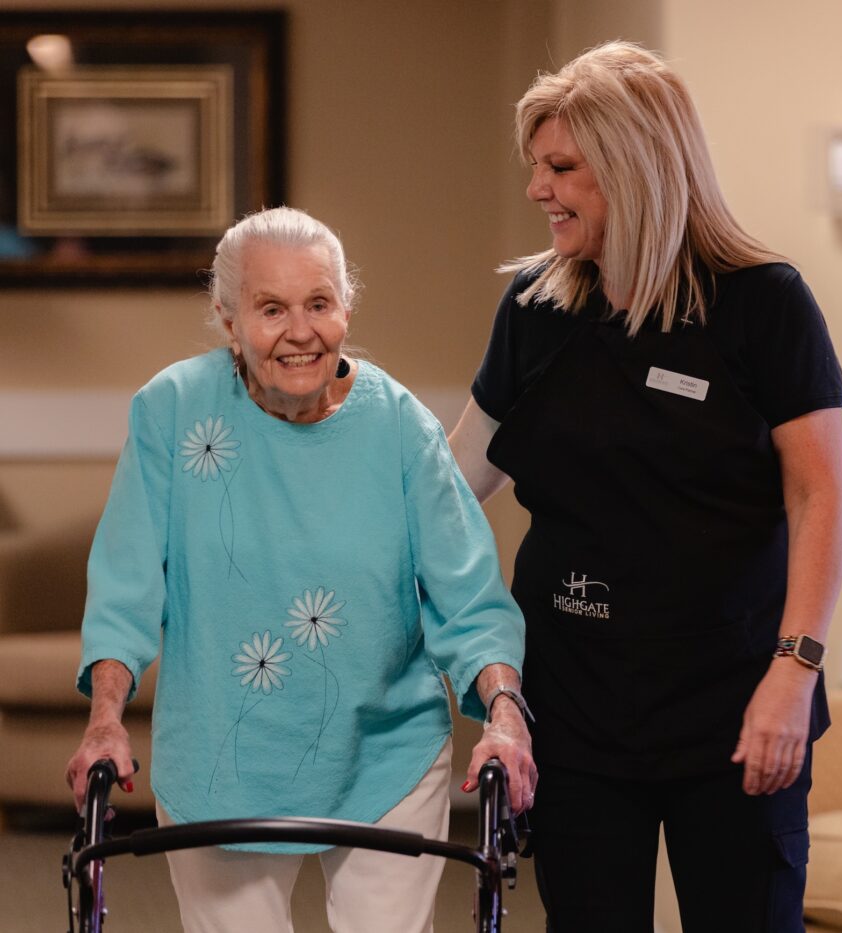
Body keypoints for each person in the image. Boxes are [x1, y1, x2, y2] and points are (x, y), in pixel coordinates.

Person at [448, 41, 842, 932]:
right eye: (536, 166)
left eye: (561, 167)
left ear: (633, 167)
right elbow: (451, 485)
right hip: (576, 702)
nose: (537, 189)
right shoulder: (537, 308)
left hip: (736, 702)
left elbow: (818, 497)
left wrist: (795, 671)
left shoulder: (764, 304)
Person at [65, 207, 536, 933]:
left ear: (347, 307)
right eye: (271, 309)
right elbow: (127, 583)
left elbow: (468, 594)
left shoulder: (399, 426)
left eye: (319, 303)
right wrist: (105, 719)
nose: (300, 331)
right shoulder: (172, 410)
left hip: (386, 752)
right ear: (228, 320)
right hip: (221, 757)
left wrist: (505, 714)